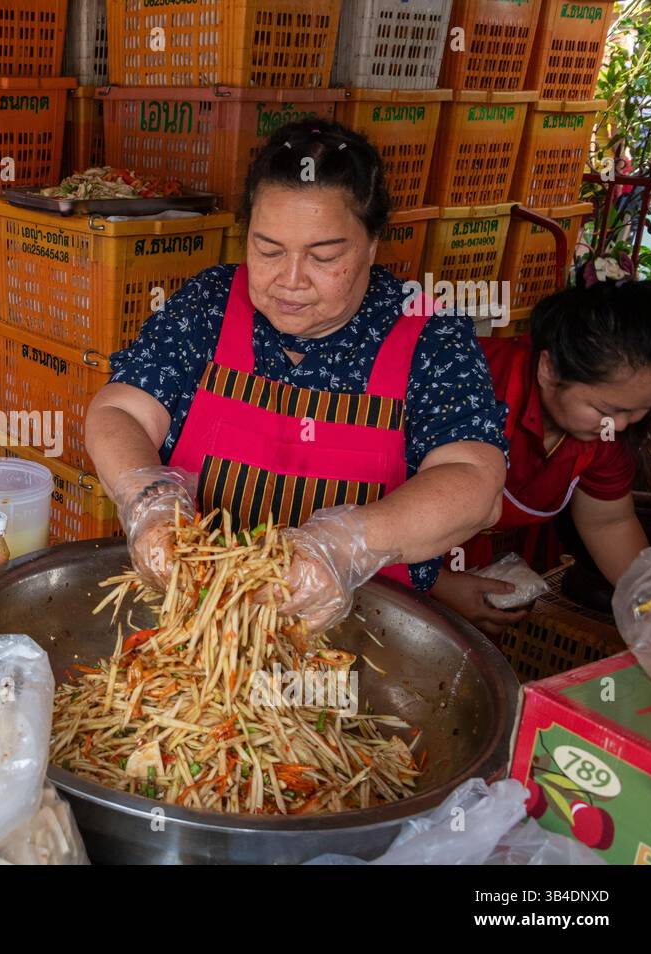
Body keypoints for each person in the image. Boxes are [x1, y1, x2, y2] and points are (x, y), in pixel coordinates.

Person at [86, 120, 509, 632]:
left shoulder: (431, 334)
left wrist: (344, 543)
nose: (290, 280)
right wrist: (151, 503)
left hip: (364, 641)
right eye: (268, 250)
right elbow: (120, 410)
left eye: (324, 256)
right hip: (191, 620)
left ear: (373, 243)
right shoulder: (210, 304)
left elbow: (474, 480)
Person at [432, 278, 651, 634]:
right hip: (370, 557)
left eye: (639, 411)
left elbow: (609, 522)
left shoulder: (606, 431)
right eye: (606, 409)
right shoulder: (467, 381)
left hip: (461, 556)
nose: (618, 426)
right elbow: (364, 495)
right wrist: (436, 585)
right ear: (548, 369)